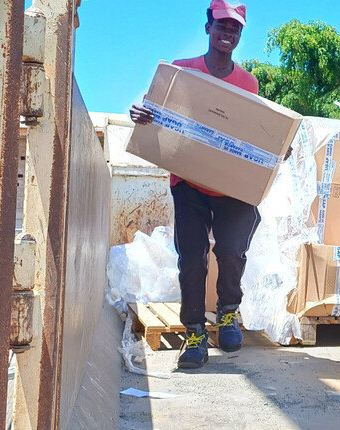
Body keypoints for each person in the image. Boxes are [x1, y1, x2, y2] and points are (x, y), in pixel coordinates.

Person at [130, 0, 258, 369]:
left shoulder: (248, 82)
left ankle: (229, 311)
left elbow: (253, 130)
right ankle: (195, 333)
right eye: (221, 26)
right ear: (208, 28)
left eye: (234, 29)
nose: (227, 33)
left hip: (231, 185)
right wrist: (139, 113)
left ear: (239, 36)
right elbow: (153, 109)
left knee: (232, 252)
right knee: (192, 259)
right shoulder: (182, 72)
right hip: (188, 182)